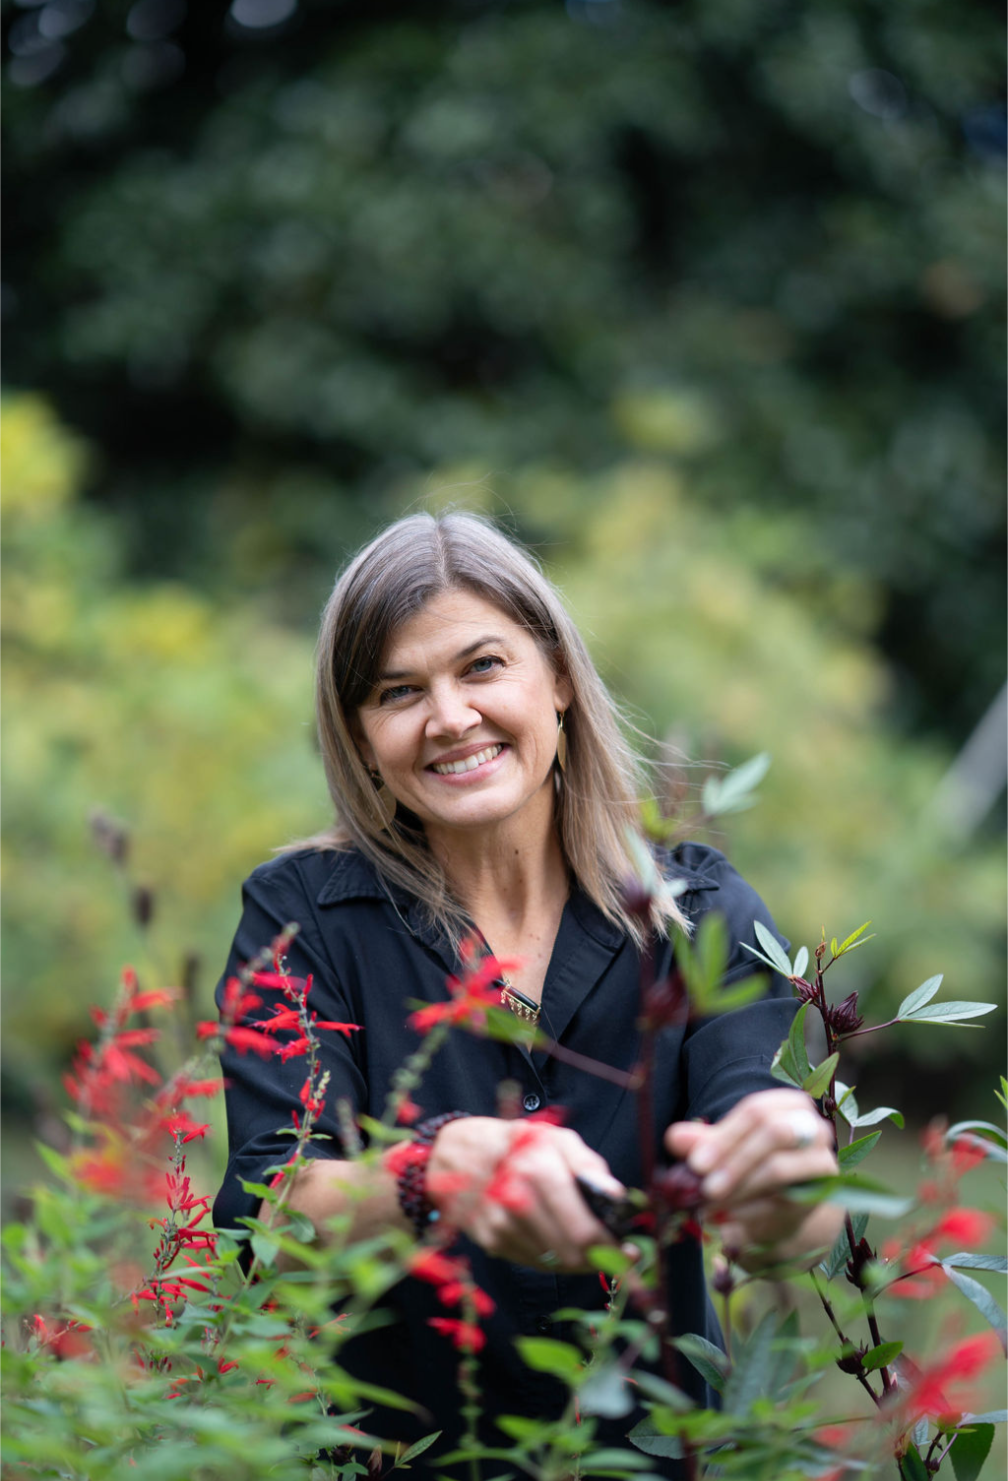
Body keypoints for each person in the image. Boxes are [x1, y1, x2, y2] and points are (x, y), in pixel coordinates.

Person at [213, 510, 840, 1472]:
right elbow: (272, 1216)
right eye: (397, 690)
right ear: (359, 734)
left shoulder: (697, 909)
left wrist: (786, 1178)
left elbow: (798, 1211)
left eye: (482, 666)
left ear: (557, 680)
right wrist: (433, 1174)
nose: (449, 716)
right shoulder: (302, 917)